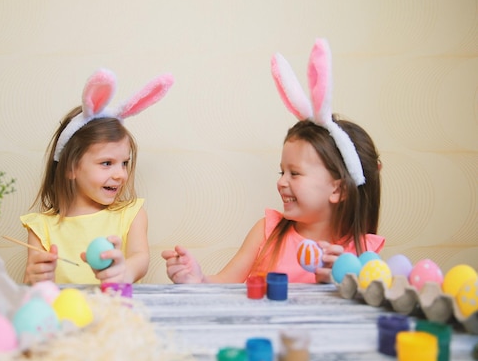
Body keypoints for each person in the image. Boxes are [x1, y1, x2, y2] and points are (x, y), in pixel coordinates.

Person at [162, 38, 384, 284]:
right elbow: (226, 283)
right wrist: (198, 279)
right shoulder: (267, 231)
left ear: (338, 188)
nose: (282, 183)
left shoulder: (361, 255)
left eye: (295, 173)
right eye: (282, 173)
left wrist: (340, 285)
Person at [21, 69, 173, 285]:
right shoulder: (41, 228)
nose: (121, 174)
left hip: (117, 315)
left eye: (124, 163)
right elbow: (35, 285)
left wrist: (125, 271)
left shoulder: (131, 215)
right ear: (70, 168)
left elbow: (140, 258)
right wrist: (33, 278)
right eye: (106, 163)